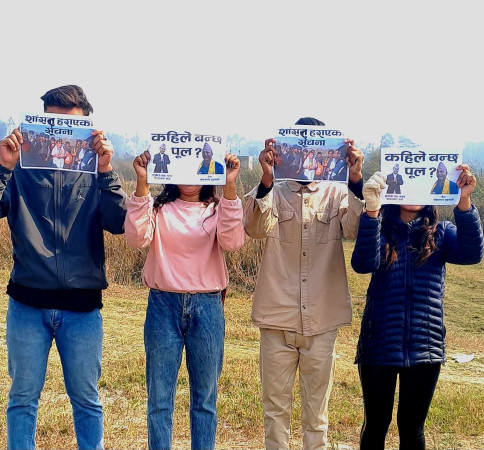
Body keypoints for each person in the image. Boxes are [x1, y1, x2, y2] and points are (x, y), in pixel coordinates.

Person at [0, 84, 128, 450]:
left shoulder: (95, 171)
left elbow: (119, 222)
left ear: (88, 128)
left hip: (82, 308)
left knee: (87, 401)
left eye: (71, 127)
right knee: (22, 399)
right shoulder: (21, 168)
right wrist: (3, 167)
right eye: (51, 124)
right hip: (27, 302)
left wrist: (106, 171)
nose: (60, 134)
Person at [244, 117, 365, 450]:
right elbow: (254, 228)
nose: (308, 157)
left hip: (322, 321)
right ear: (286, 151)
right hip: (277, 317)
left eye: (317, 149)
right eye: (300, 149)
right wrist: (266, 178)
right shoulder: (272, 190)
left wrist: (355, 179)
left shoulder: (337, 193)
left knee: (317, 417)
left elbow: (354, 229)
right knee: (275, 412)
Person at [351, 169, 483, 450]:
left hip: (426, 347)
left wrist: (464, 201)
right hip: (379, 344)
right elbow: (362, 264)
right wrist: (372, 211)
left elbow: (472, 254)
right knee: (375, 423)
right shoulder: (379, 228)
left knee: (412, 428)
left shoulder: (442, 233)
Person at [125, 150, 245, 450]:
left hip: (207, 306)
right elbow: (136, 238)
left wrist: (230, 186)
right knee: (159, 399)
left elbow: (233, 242)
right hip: (162, 304)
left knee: (205, 399)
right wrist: (142, 183)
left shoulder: (218, 208)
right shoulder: (158, 207)